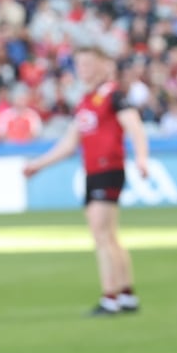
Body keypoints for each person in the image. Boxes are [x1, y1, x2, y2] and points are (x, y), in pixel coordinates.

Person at [23, 45, 149, 316]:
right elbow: (69, 144)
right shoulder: (86, 101)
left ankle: (110, 297)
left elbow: (134, 126)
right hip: (95, 172)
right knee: (110, 235)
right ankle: (126, 294)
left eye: (89, 63)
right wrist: (39, 165)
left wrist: (141, 157)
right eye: (80, 64)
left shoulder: (113, 95)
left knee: (101, 234)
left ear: (104, 66)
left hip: (107, 169)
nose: (84, 69)